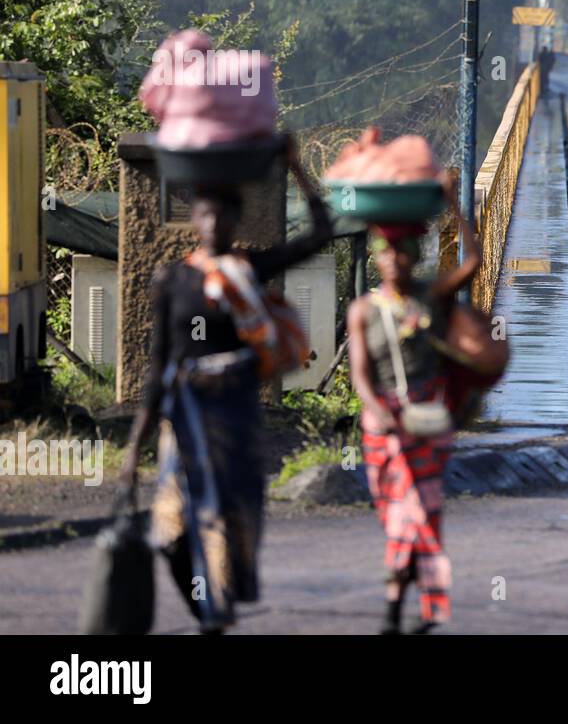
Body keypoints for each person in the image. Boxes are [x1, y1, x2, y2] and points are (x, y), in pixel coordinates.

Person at [119, 136, 333, 634]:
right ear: (195, 221)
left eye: (223, 217)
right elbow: (159, 364)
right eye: (206, 216)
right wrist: (136, 445)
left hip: (233, 414)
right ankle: (207, 611)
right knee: (169, 532)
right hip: (182, 416)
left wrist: (296, 169)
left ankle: (215, 617)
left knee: (221, 516)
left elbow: (321, 234)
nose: (214, 225)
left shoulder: (247, 271)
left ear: (235, 222)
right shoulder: (172, 280)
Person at [346, 184, 482, 634]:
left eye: (404, 255)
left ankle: (407, 610)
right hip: (382, 424)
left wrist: (455, 204)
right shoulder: (364, 310)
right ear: (379, 261)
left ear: (412, 259)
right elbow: (361, 373)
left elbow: (473, 264)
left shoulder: (429, 298)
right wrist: (378, 411)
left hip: (426, 418)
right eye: (388, 255)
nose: (396, 263)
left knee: (420, 510)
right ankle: (416, 610)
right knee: (398, 516)